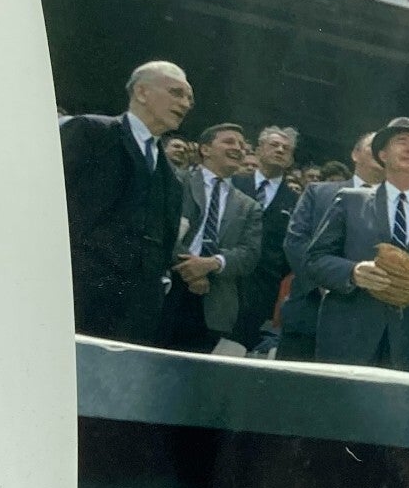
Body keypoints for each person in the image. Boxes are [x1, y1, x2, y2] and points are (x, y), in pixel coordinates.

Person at [304, 117, 409, 371]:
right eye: (401, 141)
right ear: (382, 154)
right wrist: (353, 272)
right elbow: (315, 260)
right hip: (348, 336)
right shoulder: (349, 201)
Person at [58, 59, 194, 344]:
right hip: (73, 296)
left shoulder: (172, 177)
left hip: (133, 316)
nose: (185, 104)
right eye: (176, 93)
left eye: (189, 98)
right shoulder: (90, 132)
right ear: (142, 92)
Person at [276, 131, 383, 362]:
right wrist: (327, 280)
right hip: (310, 308)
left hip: (368, 318)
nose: (379, 152)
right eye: (372, 146)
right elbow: (296, 242)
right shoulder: (318, 192)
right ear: (355, 154)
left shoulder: (399, 208)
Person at [160, 123, 264, 353]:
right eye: (229, 141)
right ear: (205, 149)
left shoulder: (249, 206)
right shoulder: (177, 181)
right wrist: (191, 269)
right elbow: (162, 227)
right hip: (168, 285)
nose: (238, 148)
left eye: (242, 145)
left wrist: (211, 263)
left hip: (212, 300)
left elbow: (249, 254)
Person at [231, 124, 300, 351]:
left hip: (264, 287)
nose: (280, 150)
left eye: (286, 149)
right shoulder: (234, 183)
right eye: (274, 145)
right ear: (259, 150)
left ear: (291, 159)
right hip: (226, 278)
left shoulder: (296, 201)